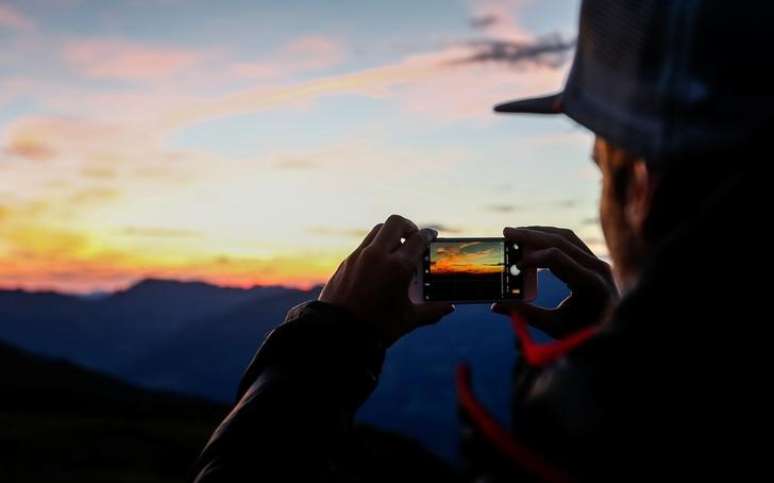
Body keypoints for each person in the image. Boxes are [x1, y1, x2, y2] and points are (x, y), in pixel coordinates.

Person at [192, 1, 768, 481]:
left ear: (640, 184)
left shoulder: (589, 452)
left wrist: (327, 345)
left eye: (600, 164)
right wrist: (611, 347)